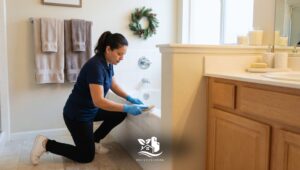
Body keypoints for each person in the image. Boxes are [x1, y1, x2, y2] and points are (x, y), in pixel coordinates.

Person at [30, 31, 148, 165]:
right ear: (108, 49)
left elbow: (112, 84)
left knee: (119, 114)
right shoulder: (95, 66)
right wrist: (127, 106)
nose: (122, 58)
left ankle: (94, 141)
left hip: (91, 110)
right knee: (85, 156)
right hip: (78, 115)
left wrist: (130, 98)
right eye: (119, 54)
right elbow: (99, 101)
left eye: (123, 54)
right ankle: (45, 143)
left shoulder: (107, 63)